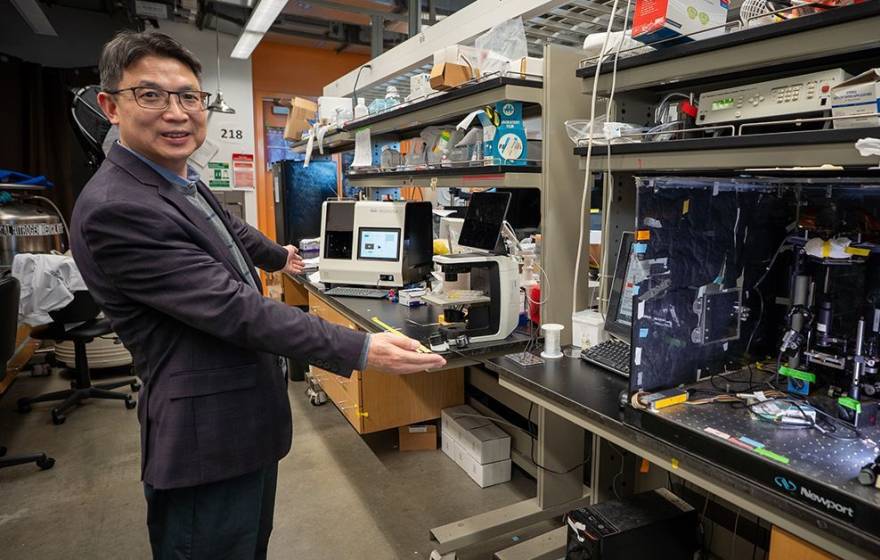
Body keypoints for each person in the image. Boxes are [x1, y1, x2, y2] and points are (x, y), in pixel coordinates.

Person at [70, 30, 446, 560]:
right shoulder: (119, 206)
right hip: (207, 437)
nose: (176, 113)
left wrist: (280, 256)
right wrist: (360, 349)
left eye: (188, 96)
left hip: (239, 424)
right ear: (111, 105)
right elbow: (235, 309)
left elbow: (227, 228)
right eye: (150, 95)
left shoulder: (176, 178)